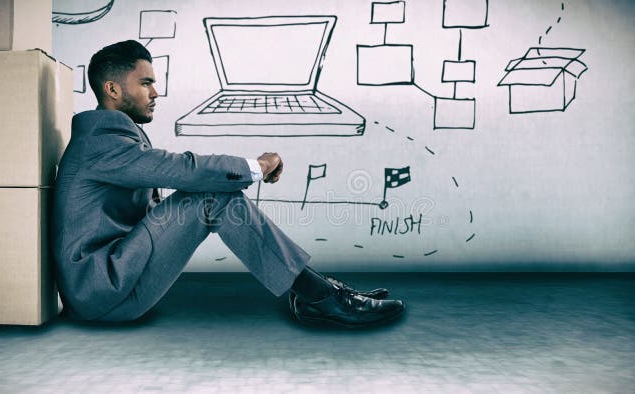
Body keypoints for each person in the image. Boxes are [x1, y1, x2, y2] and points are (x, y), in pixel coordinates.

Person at [52, 40, 405, 327]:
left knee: (209, 192)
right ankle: (321, 296)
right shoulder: (101, 139)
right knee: (211, 196)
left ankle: (318, 291)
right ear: (112, 88)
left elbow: (157, 202)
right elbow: (183, 169)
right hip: (102, 290)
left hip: (113, 282)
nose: (156, 92)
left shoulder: (112, 138)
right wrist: (255, 166)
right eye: (145, 83)